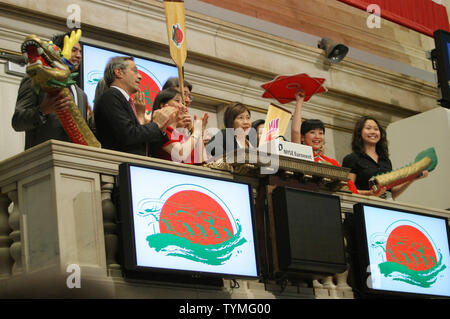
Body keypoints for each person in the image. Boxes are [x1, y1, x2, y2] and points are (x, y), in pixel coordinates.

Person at [11, 30, 91, 149]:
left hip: (76, 161)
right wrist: (42, 110)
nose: (79, 56)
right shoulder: (35, 79)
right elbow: (17, 122)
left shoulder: (81, 94)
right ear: (57, 51)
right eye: (74, 50)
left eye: (80, 52)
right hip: (42, 160)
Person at [94, 56, 178, 156]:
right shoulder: (111, 96)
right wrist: (156, 124)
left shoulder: (126, 101)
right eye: (135, 71)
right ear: (119, 72)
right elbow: (129, 135)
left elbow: (143, 144)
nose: (140, 76)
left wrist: (162, 128)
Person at [342, 116, 427, 199]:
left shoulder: (386, 161)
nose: (373, 132)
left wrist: (412, 178)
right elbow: (347, 189)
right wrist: (370, 194)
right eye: (368, 128)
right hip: (363, 206)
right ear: (359, 132)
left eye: (376, 129)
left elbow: (392, 193)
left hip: (386, 206)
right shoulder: (352, 159)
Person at [291, 91, 358, 194]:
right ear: (303, 137)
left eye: (321, 133)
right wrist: (299, 102)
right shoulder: (299, 155)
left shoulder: (332, 163)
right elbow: (295, 131)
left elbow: (351, 190)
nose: (317, 137)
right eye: (312, 132)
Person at [150, 88, 209, 164]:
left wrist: (198, 131)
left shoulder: (181, 135)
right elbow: (181, 154)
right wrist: (197, 132)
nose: (183, 106)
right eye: (177, 101)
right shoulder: (161, 131)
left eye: (182, 103)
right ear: (163, 106)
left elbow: (202, 160)